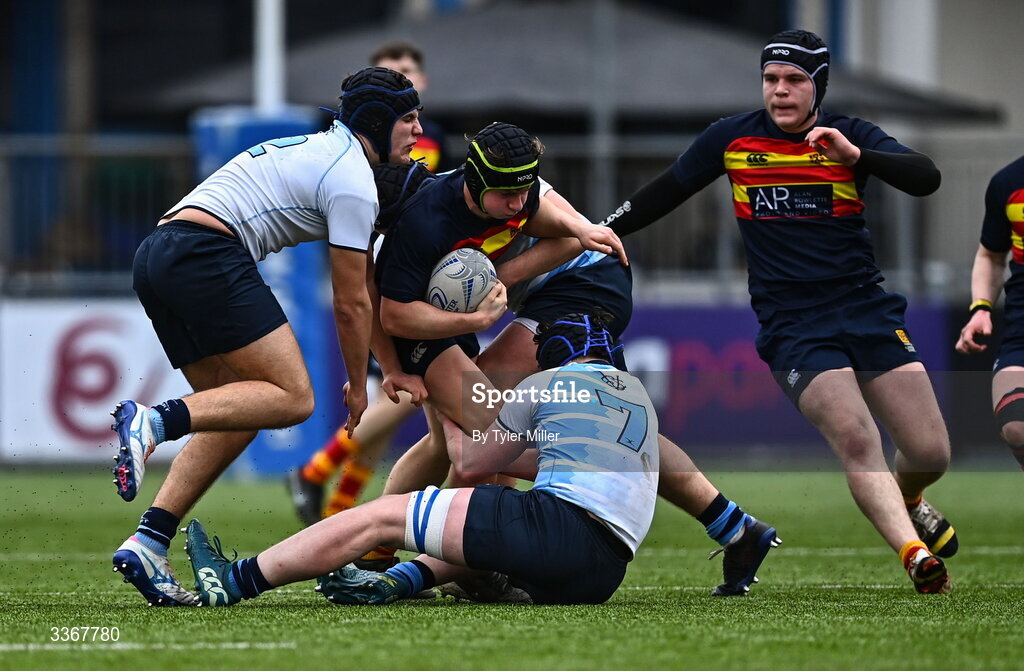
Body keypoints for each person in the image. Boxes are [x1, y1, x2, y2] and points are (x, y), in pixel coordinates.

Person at [596, 29, 955, 594]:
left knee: (931, 451)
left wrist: (857, 157)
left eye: (794, 81)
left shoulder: (850, 136)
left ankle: (909, 497)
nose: (780, 92)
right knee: (858, 440)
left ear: (819, 87)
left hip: (866, 310)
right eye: (771, 80)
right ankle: (915, 556)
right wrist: (597, 231)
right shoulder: (731, 139)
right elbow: (663, 191)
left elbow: (927, 177)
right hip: (794, 326)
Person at [339, 161, 780, 597]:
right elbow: (373, 301)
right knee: (484, 431)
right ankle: (391, 552)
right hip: (546, 296)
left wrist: (495, 284)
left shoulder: (497, 184)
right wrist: (394, 367)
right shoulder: (400, 232)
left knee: (492, 423)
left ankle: (439, 560)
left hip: (584, 283)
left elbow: (577, 235)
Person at [109, 66, 427, 607]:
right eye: (410, 119)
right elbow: (352, 304)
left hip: (158, 252)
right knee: (294, 398)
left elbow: (363, 291)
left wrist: (388, 368)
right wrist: (357, 386)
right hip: (206, 254)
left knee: (238, 411)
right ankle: (154, 420)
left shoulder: (321, 147)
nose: (419, 131)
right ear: (377, 123)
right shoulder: (353, 179)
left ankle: (149, 541)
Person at [185, 312, 660, 606]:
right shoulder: (638, 398)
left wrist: (442, 397)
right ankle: (394, 583)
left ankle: (235, 579)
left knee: (380, 517)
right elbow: (544, 465)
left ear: (551, 358)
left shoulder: (546, 382)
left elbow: (469, 460)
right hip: (602, 572)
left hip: (556, 532)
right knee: (487, 527)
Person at [955, 154, 1024, 471]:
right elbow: (991, 256)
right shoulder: (1007, 182)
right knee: (1016, 425)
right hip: (1021, 334)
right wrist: (981, 308)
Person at [372, 41, 448, 172]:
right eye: (387, 71)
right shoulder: (355, 131)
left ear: (423, 81)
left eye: (405, 70)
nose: (396, 77)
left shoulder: (434, 134)